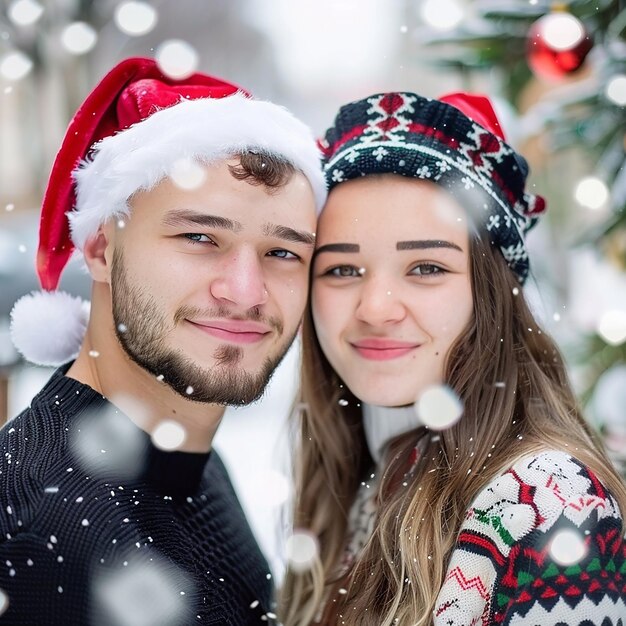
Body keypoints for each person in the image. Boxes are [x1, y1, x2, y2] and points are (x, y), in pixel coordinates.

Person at [1, 57, 326, 625]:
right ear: (100, 248)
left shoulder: (188, 459)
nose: (246, 293)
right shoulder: (42, 538)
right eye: (200, 237)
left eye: (282, 253)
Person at [281, 92, 626, 625]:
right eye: (342, 270)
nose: (375, 309)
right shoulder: (358, 477)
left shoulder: (551, 505)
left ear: (488, 292)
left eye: (425, 268)